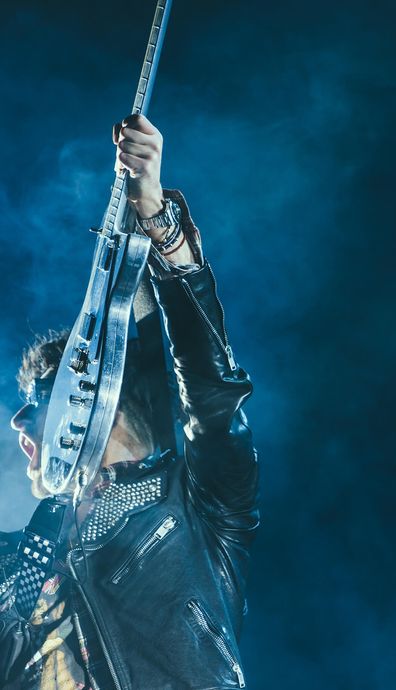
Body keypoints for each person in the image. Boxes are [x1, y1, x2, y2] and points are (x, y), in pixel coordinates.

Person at [0, 115, 259, 689]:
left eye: (42, 396)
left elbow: (212, 394)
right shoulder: (11, 564)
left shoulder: (193, 505)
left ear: (94, 402)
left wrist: (157, 222)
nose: (18, 419)